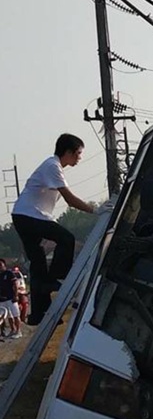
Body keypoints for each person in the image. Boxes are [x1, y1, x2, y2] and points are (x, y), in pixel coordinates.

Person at [11, 134, 95, 325]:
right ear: (68, 152)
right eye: (78, 154)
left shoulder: (53, 167)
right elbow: (70, 200)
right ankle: (58, 275)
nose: (80, 158)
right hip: (29, 216)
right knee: (66, 239)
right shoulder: (52, 166)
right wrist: (95, 210)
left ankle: (39, 314)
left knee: (38, 265)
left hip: (24, 216)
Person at [0, 258, 22, 338]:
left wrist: (16, 295)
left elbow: (15, 284)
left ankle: (18, 331)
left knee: (15, 314)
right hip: (2, 299)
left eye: (0, 265)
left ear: (4, 265)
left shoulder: (9, 273)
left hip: (11, 297)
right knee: (9, 316)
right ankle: (13, 330)